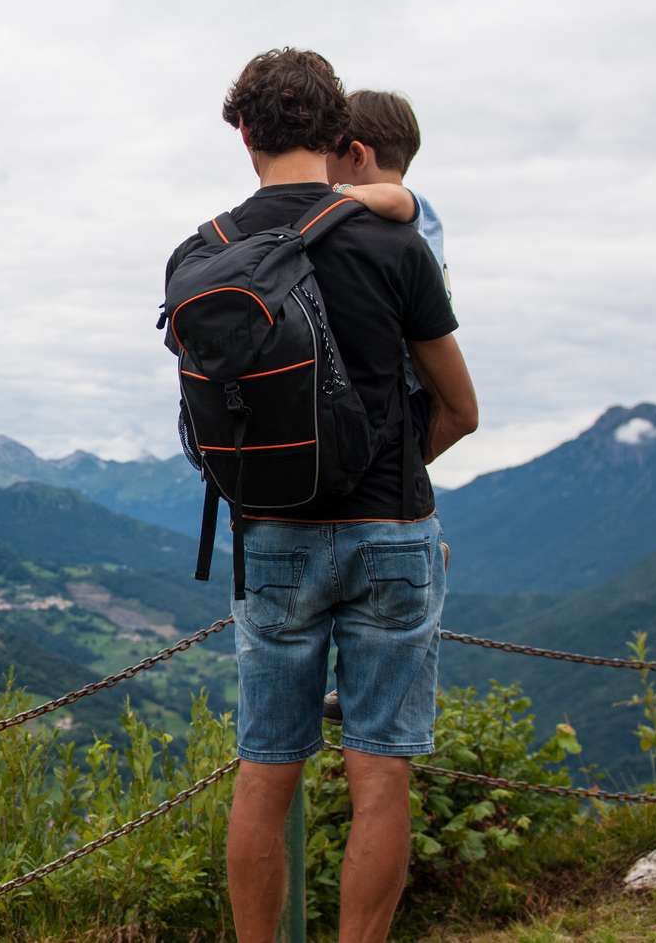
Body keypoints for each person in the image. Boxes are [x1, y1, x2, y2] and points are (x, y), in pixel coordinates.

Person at [163, 48, 478, 943]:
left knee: (265, 770)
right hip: (393, 529)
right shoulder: (391, 240)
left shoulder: (207, 253)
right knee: (382, 777)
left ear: (243, 132)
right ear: (338, 133)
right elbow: (462, 405)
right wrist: (396, 469)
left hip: (273, 539)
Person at [326, 90, 449, 299]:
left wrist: (338, 192)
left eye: (326, 160)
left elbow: (397, 200)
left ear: (357, 156)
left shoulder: (410, 204)